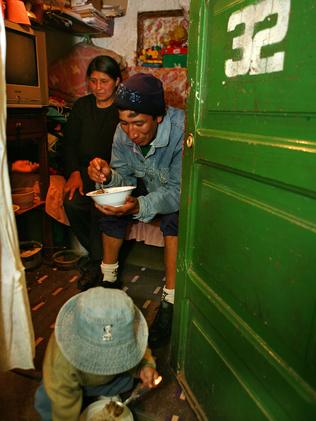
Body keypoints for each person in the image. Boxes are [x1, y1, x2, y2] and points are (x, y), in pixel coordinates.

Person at [87, 73, 185, 347]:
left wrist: (140, 205)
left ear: (159, 117)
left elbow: (178, 192)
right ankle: (109, 280)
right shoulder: (123, 131)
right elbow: (125, 178)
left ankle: (170, 301)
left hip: (176, 192)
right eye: (125, 123)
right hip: (147, 184)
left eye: (139, 123)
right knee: (109, 203)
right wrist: (107, 177)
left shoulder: (182, 132)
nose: (131, 133)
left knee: (176, 218)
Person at [34, 287, 160, 420]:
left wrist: (145, 366)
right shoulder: (62, 359)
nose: (107, 363)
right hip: (67, 383)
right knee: (49, 401)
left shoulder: (129, 329)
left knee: (124, 380)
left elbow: (138, 347)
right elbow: (63, 402)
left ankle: (105, 393)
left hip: (107, 380)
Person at [62, 55, 122, 290]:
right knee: (72, 202)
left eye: (104, 81)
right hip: (85, 172)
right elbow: (69, 144)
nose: (98, 88)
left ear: (116, 81)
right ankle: (98, 257)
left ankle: (97, 263)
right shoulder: (82, 106)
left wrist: (109, 173)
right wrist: (74, 172)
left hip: (114, 174)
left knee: (101, 205)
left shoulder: (122, 110)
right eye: (93, 81)